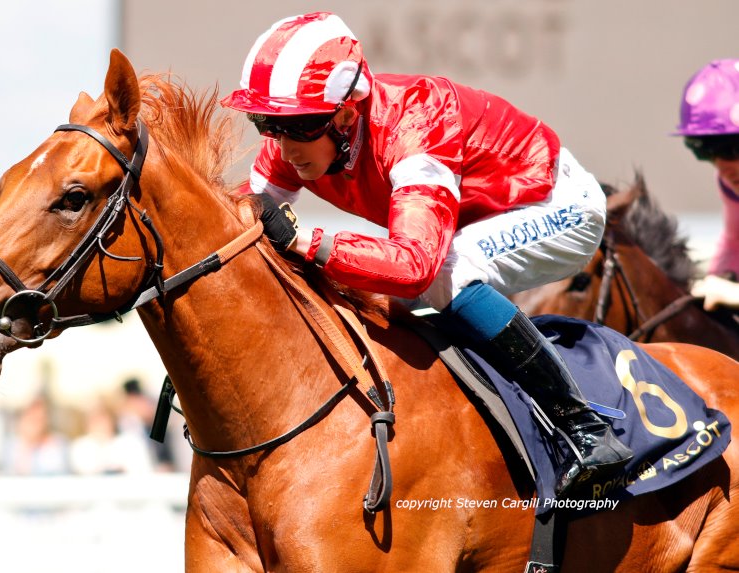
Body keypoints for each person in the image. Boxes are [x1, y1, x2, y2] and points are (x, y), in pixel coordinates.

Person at [220, 11, 632, 497]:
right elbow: (242, 229)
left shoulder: (416, 121)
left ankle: (585, 429)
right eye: (267, 123)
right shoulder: (297, 136)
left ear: (347, 113)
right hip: (473, 220)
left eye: (300, 127)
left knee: (446, 275)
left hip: (558, 206)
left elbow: (416, 265)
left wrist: (308, 241)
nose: (285, 147)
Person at [676, 60, 739, 311]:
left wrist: (734, 294)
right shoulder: (729, 182)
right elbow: (734, 242)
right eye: (705, 151)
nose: (720, 166)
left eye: (729, 148)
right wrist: (711, 281)